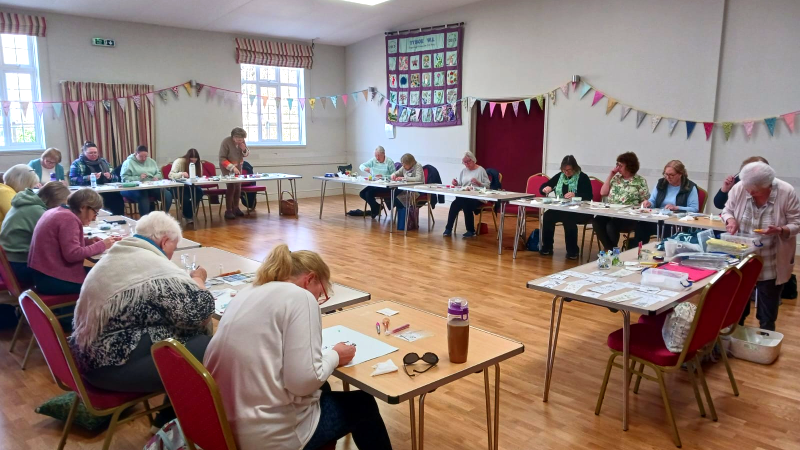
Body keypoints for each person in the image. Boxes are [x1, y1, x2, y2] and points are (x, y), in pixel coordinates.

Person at [204, 244, 392, 450]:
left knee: (324, 388)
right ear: (310, 279)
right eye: (320, 293)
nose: (318, 299)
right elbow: (303, 382)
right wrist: (335, 356)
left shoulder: (249, 291)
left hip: (221, 425)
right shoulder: (300, 297)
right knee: (363, 404)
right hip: (265, 435)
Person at [70, 211, 213, 395]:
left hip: (90, 356)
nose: (171, 255)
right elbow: (199, 313)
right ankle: (181, 411)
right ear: (164, 241)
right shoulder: (151, 265)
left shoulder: (120, 254)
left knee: (182, 333)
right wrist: (198, 279)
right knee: (209, 346)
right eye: (174, 247)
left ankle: (173, 410)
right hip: (107, 368)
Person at [722, 162, 800, 331]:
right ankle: (735, 334)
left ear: (768, 185)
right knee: (738, 303)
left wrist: (780, 230)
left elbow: (796, 223)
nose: (750, 193)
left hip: (772, 257)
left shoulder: (786, 192)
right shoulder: (740, 187)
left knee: (768, 307)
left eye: (755, 190)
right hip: (742, 256)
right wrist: (731, 220)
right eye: (748, 188)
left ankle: (766, 334)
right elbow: (727, 210)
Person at [28, 189, 119, 295]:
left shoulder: (57, 211)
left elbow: (62, 241)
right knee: (107, 282)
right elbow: (73, 255)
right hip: (52, 279)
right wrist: (102, 245)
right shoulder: (69, 218)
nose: (95, 218)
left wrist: (86, 242)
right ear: (83, 207)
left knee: (99, 273)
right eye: (95, 212)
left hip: (42, 275)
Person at [0, 182, 70, 286]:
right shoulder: (36, 211)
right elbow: (60, 240)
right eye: (63, 205)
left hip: (10, 264)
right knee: (75, 272)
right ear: (55, 202)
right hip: (20, 266)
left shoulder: (26, 202)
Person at [632, 160, 699, 246]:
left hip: (677, 222)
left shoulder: (689, 187)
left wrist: (676, 208)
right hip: (659, 218)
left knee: (669, 229)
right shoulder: (661, 183)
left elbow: (694, 208)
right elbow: (653, 200)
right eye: (666, 174)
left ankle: (664, 249)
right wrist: (649, 203)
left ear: (680, 174)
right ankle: (637, 250)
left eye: (671, 175)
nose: (668, 177)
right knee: (641, 225)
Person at [592, 152, 650, 251]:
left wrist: (636, 207)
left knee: (611, 225)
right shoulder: (616, 178)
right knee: (597, 221)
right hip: (611, 212)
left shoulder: (640, 181)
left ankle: (610, 251)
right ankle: (611, 249)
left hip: (628, 216)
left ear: (629, 166)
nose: (618, 168)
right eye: (617, 165)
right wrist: (611, 174)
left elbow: (645, 201)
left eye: (621, 165)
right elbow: (603, 192)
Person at [538, 155, 593, 259]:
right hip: (563, 208)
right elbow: (544, 186)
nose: (566, 172)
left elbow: (589, 196)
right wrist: (545, 189)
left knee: (568, 218)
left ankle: (573, 251)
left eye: (569, 170)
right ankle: (547, 247)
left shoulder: (583, 177)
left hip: (580, 210)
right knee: (548, 216)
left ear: (575, 168)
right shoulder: (560, 176)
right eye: (564, 170)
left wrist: (575, 195)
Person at [443, 151, 490, 238]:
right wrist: (456, 183)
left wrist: (478, 183)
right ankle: (448, 229)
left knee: (466, 205)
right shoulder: (464, 171)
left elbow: (487, 185)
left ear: (473, 160)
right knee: (454, 205)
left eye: (468, 161)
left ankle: (471, 230)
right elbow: (461, 185)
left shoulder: (480, 170)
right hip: (465, 195)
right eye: (464, 162)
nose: (466, 164)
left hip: (477, 197)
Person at [69, 141, 124, 215]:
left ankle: (118, 219)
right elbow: (72, 180)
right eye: (90, 153)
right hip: (87, 193)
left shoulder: (104, 162)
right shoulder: (77, 163)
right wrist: (88, 178)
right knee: (93, 202)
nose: (93, 155)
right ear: (84, 153)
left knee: (118, 199)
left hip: (105, 191)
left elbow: (116, 177)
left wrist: (110, 176)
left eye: (95, 152)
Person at [121, 145, 173, 216]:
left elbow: (159, 173)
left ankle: (161, 216)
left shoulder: (151, 161)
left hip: (151, 186)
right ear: (136, 154)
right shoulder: (128, 163)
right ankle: (145, 220)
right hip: (135, 188)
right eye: (141, 156)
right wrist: (138, 178)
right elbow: (124, 178)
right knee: (143, 198)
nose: (144, 159)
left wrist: (156, 177)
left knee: (167, 195)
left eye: (145, 156)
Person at [219, 127, 250, 220]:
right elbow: (222, 158)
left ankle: (236, 208)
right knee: (231, 187)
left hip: (238, 168)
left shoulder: (242, 142)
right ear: (233, 137)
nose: (240, 141)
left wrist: (244, 149)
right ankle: (228, 210)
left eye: (242, 139)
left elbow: (245, 154)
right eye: (238, 139)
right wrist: (232, 168)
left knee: (238, 188)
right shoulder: (226, 142)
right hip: (227, 168)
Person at [169, 148, 205, 224]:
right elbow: (171, 175)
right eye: (191, 160)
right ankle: (188, 215)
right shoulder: (179, 161)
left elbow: (199, 176)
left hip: (191, 186)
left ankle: (187, 214)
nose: (194, 162)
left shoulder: (198, 164)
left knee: (199, 193)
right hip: (179, 186)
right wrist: (181, 174)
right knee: (185, 197)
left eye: (195, 160)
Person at [358, 146, 395, 218]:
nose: (377, 158)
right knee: (362, 193)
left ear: (383, 154)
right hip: (375, 183)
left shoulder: (389, 162)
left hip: (385, 185)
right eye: (376, 155)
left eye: (379, 156)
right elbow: (361, 166)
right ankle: (377, 206)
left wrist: (383, 176)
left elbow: (394, 175)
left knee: (368, 193)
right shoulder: (373, 160)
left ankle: (375, 209)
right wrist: (365, 168)